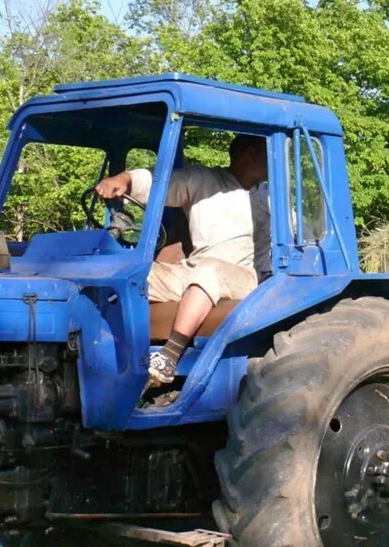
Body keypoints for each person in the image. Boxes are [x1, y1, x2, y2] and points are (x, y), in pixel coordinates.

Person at [95, 134, 269, 387]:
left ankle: (168, 358)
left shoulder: (270, 197)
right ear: (250, 154)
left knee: (209, 270)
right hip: (197, 271)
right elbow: (160, 183)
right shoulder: (205, 180)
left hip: (247, 276)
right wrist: (124, 179)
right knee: (130, 273)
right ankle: (103, 352)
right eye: (267, 154)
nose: (272, 162)